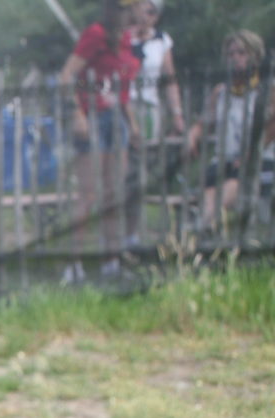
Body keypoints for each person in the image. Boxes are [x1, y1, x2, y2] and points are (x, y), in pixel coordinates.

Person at [58, 0, 142, 283]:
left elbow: (120, 88)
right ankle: (73, 264)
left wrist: (132, 124)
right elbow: (68, 76)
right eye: (122, 7)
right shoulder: (95, 34)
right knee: (87, 195)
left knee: (113, 194)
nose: (127, 12)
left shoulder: (127, 40)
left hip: (116, 119)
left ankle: (111, 262)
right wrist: (77, 113)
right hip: (92, 118)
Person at [186, 30, 275, 235]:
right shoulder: (221, 92)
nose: (235, 58)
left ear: (255, 56)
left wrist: (251, 154)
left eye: (241, 53)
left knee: (235, 182)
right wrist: (193, 134)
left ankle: (202, 224)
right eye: (231, 53)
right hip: (224, 160)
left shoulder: (268, 90)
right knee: (211, 188)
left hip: (259, 161)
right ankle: (204, 225)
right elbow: (203, 123)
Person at [124, 0, 184, 246]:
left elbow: (170, 80)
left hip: (149, 109)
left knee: (141, 171)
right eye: (142, 8)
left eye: (151, 11)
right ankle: (118, 230)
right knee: (123, 170)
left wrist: (177, 113)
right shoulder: (122, 38)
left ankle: (134, 232)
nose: (146, 14)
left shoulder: (162, 41)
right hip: (123, 107)